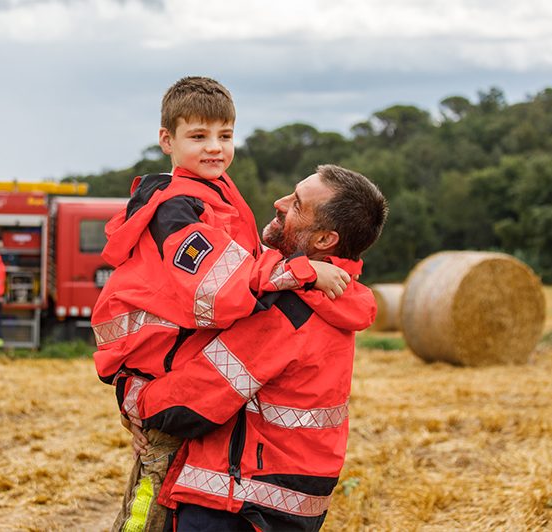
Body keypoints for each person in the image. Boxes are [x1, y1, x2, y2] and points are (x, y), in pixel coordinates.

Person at [92, 77, 350, 532]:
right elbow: (220, 289)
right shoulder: (180, 208)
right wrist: (304, 271)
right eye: (198, 137)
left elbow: (246, 262)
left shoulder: (219, 194)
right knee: (149, 505)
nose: (214, 148)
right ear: (166, 140)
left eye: (225, 136)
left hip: (171, 365)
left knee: (161, 493)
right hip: (158, 366)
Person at [117, 164, 388, 531]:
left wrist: (133, 396)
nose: (278, 202)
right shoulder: (337, 297)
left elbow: (190, 403)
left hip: (238, 504)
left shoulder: (288, 312)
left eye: (296, 204)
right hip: (288, 502)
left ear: (325, 240)